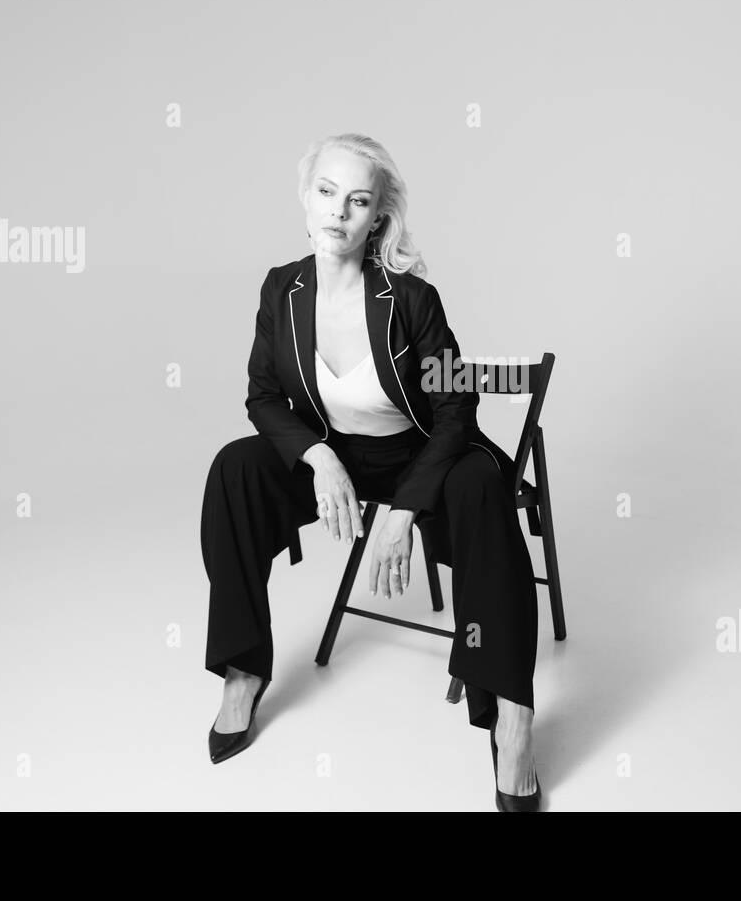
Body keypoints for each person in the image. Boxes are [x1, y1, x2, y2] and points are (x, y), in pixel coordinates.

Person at [199, 133, 542, 810]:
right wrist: (319, 457)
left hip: (425, 455)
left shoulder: (412, 299)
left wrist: (405, 511)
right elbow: (262, 396)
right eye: (326, 193)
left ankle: (513, 718)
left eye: (358, 201)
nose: (338, 213)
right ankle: (242, 669)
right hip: (339, 456)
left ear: (377, 216)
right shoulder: (282, 290)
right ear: (306, 197)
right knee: (234, 470)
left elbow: (456, 407)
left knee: (478, 487)